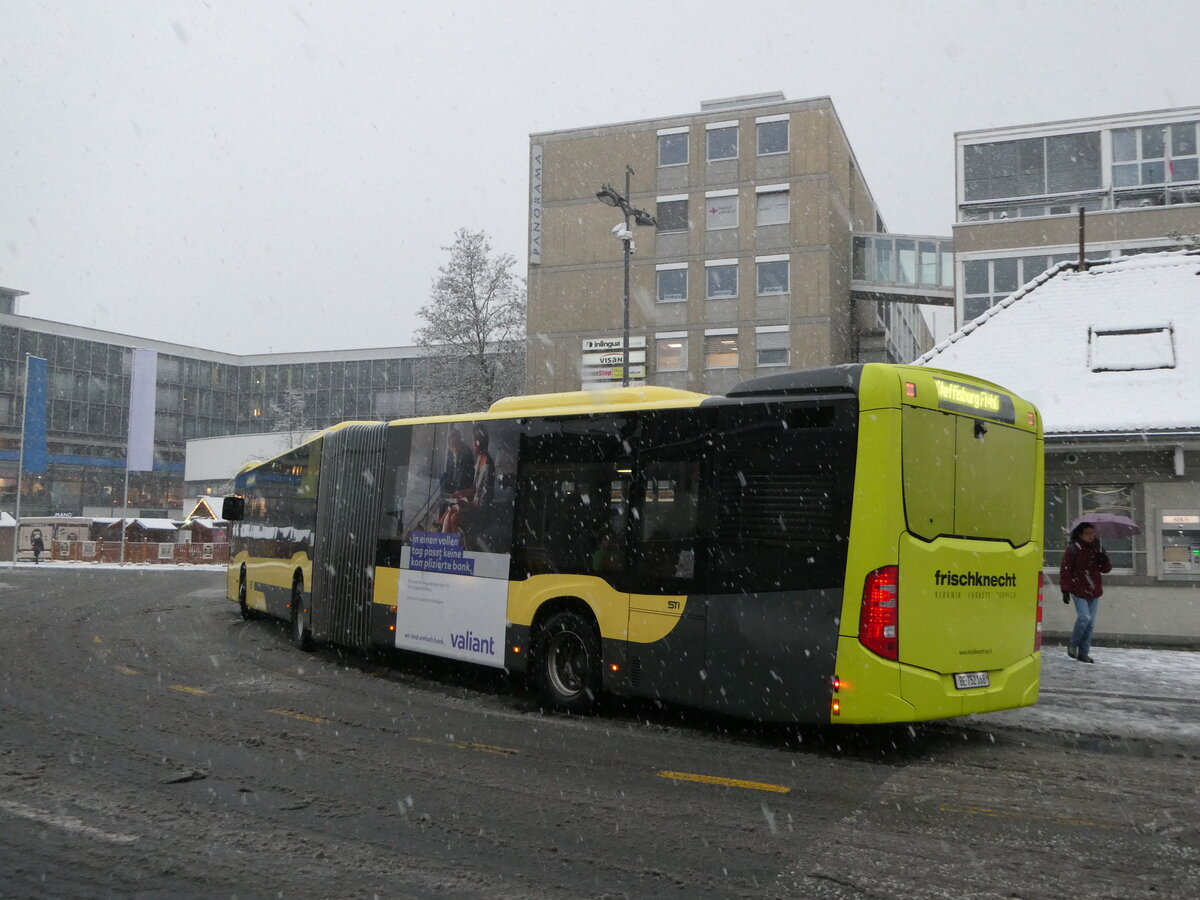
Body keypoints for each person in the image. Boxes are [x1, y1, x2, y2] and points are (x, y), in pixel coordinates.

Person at [1059, 522, 1112, 664]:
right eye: (1088, 533)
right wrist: (1065, 590)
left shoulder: (1098, 548)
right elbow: (1066, 570)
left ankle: (1084, 653)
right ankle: (1073, 644)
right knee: (1084, 618)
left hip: (1094, 590)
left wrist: (1103, 558)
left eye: (1093, 533)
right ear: (1080, 534)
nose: (1091, 536)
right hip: (1079, 589)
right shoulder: (1074, 549)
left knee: (1090, 624)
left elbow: (1105, 569)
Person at [440, 426, 495, 539]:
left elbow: (483, 503)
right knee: (451, 511)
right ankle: (446, 547)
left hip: (482, 513)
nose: (473, 444)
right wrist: (460, 493)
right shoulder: (479, 459)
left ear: (481, 442)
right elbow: (474, 489)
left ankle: (455, 547)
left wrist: (466, 504)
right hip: (474, 505)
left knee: (454, 517)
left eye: (475, 441)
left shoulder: (489, 465)